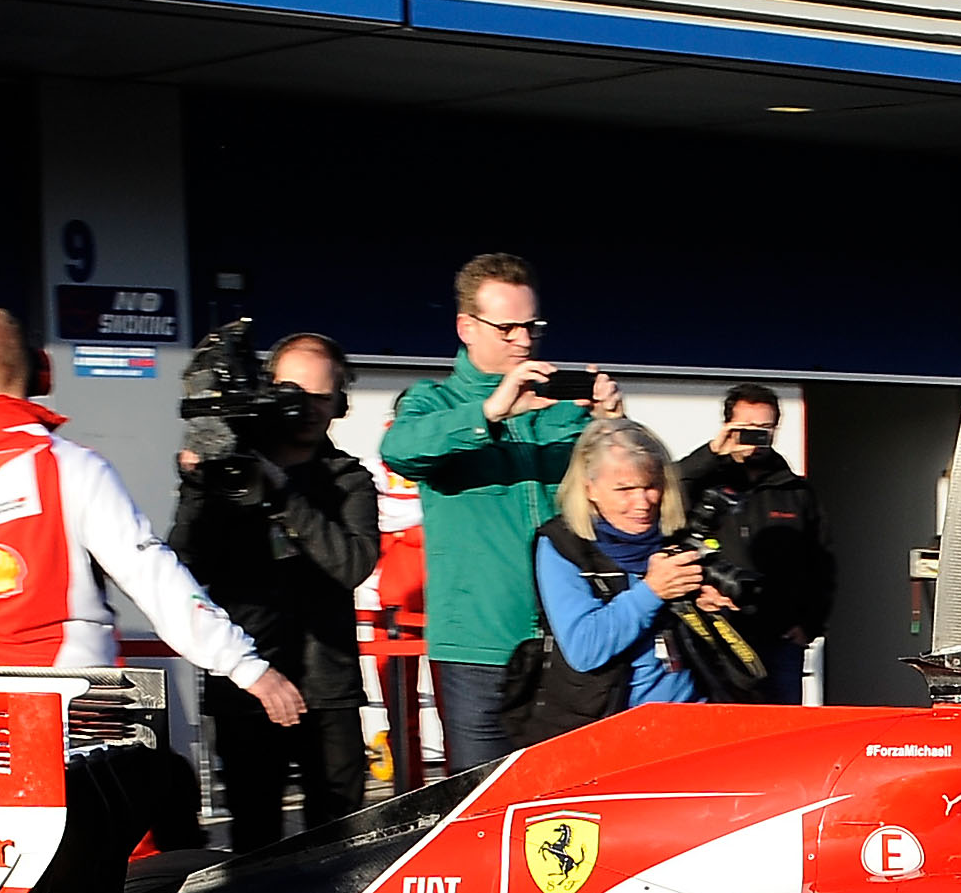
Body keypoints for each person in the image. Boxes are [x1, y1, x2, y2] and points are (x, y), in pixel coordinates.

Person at [0, 308, 302, 727]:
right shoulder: (73, 467)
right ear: (41, 372)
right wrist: (244, 665)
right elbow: (150, 574)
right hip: (73, 701)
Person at [378, 253, 622, 774]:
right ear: (466, 327)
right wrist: (490, 412)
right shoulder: (433, 402)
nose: (523, 340)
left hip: (568, 642)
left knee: (569, 800)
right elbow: (400, 450)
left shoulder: (562, 410)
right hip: (479, 647)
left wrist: (613, 426)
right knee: (482, 801)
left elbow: (628, 501)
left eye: (532, 326)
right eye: (507, 328)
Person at [173, 331, 380, 849]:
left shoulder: (348, 480)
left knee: (338, 839)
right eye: (292, 393)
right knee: (254, 838)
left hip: (327, 687)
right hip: (247, 686)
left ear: (340, 402)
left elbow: (352, 565)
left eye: (320, 397)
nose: (305, 409)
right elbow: (185, 562)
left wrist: (283, 494)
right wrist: (199, 486)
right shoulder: (227, 471)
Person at [521, 418, 746, 727]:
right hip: (609, 725)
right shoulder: (562, 545)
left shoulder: (675, 535)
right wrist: (652, 591)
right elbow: (585, 649)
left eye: (651, 486)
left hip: (693, 716)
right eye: (624, 489)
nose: (642, 503)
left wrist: (708, 606)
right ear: (590, 489)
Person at [673, 384, 834, 700]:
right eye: (746, 428)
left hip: (780, 640)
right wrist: (713, 453)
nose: (756, 437)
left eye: (764, 428)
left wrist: (809, 625)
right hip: (715, 633)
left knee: (779, 726)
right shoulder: (703, 481)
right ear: (728, 426)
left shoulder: (795, 491)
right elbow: (664, 495)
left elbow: (822, 563)